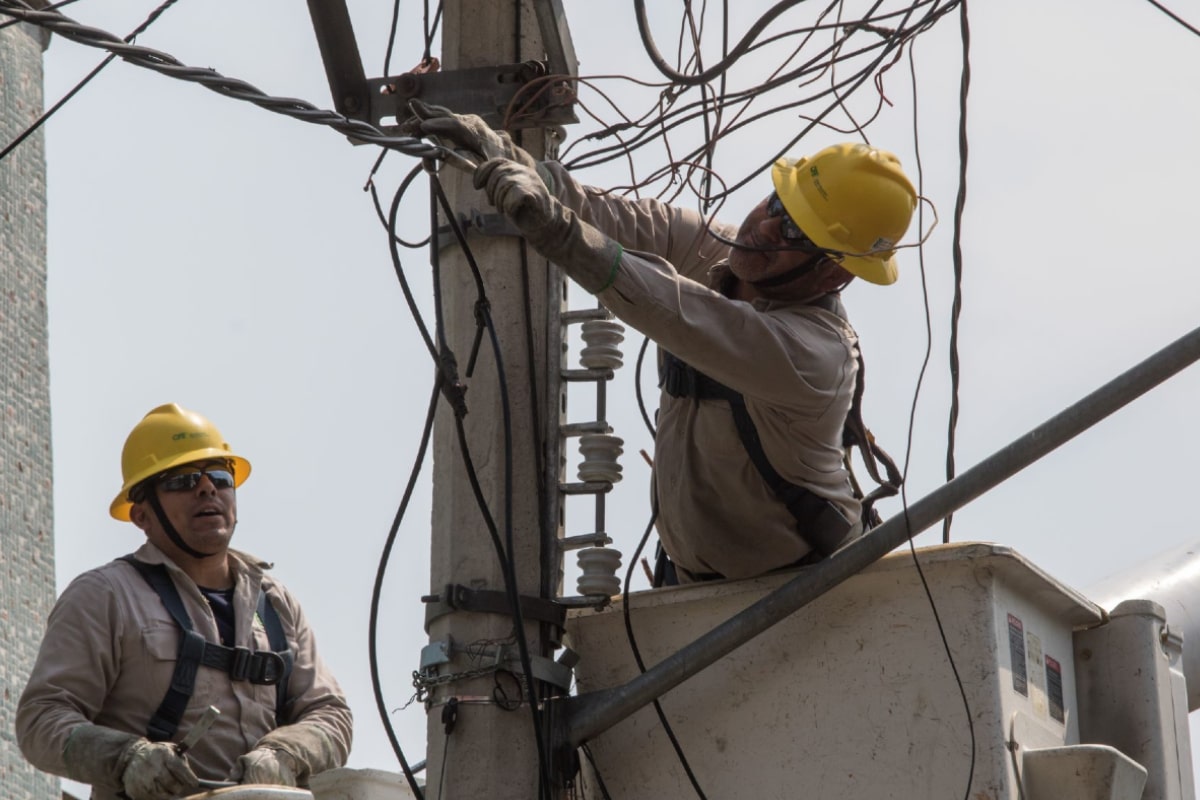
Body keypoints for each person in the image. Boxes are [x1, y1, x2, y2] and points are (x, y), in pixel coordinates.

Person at [412, 104, 916, 584]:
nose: (763, 228)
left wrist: (558, 231)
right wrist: (506, 155)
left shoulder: (816, 356)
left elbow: (674, 308)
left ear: (833, 273)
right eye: (778, 204)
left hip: (805, 595)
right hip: (691, 588)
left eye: (794, 233)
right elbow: (608, 216)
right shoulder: (723, 251)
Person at [16, 403, 353, 799]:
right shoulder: (106, 597)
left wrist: (285, 753)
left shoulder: (275, 605)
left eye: (220, 477)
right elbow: (41, 720)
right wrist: (128, 758)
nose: (207, 488)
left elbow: (331, 715)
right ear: (142, 515)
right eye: (182, 480)